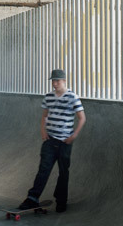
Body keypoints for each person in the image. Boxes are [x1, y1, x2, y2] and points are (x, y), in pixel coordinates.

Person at [18, 69, 86, 213]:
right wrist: (43, 130)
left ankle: (61, 201)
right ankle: (32, 198)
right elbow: (44, 115)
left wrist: (74, 135)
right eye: (53, 81)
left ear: (64, 81)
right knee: (43, 170)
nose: (55, 84)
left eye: (57, 81)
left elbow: (82, 118)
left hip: (65, 142)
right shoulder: (48, 97)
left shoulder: (72, 97)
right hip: (50, 140)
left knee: (63, 172)